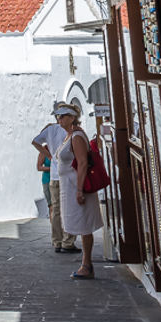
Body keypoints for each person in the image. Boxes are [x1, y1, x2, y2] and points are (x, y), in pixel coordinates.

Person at [54, 103, 102, 280]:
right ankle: (86, 264)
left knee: (84, 226)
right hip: (70, 187)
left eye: (63, 115)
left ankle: (86, 265)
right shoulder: (69, 136)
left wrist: (80, 190)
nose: (60, 119)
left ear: (72, 117)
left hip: (77, 187)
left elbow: (82, 163)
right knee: (81, 225)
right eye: (58, 116)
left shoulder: (76, 137)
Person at [32, 106, 80, 254]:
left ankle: (57, 242)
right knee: (69, 208)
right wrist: (49, 155)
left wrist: (48, 154)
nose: (60, 119)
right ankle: (68, 242)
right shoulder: (73, 131)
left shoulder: (50, 130)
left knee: (57, 210)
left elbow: (35, 141)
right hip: (68, 175)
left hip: (54, 175)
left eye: (61, 116)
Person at [38, 150, 52, 215]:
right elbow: (39, 167)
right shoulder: (43, 151)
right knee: (51, 205)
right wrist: (52, 168)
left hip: (59, 180)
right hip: (47, 180)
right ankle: (53, 224)